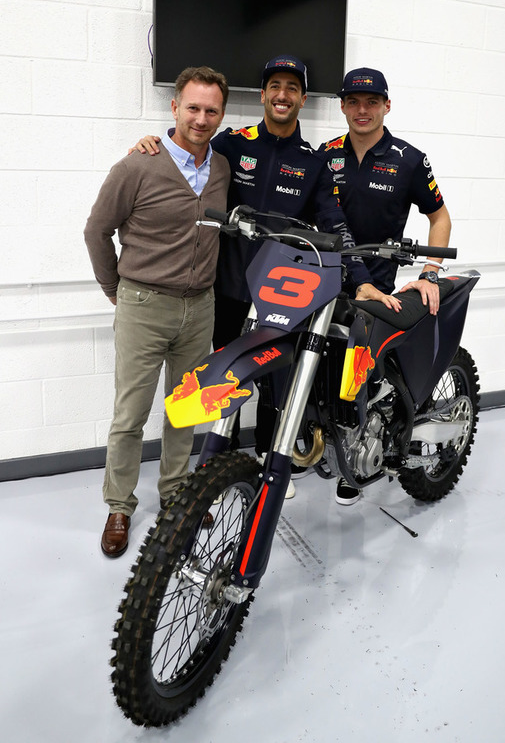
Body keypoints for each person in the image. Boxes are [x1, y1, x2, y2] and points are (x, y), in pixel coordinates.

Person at [131, 55, 366, 500]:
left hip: (285, 294)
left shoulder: (313, 161)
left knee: (278, 380)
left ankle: (267, 456)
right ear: (262, 95)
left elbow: (333, 221)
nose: (282, 94)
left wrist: (361, 276)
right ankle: (222, 462)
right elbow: (189, 154)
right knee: (228, 377)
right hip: (229, 289)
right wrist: (153, 146)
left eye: (292, 88)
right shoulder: (232, 144)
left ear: (301, 98)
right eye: (274, 85)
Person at [84, 66, 230, 558]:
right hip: (144, 306)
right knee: (130, 414)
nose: (201, 118)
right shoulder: (137, 166)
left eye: (211, 110)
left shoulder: (223, 168)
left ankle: (175, 495)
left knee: (184, 409)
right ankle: (119, 506)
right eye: (193, 107)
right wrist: (114, 288)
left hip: (200, 309)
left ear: (222, 114)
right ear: (174, 108)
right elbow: (96, 231)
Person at [319, 67, 452, 505]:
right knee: (320, 370)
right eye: (353, 102)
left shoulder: (408, 158)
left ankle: (353, 463)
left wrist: (431, 270)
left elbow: (439, 217)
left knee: (359, 379)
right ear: (341, 106)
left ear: (386, 106)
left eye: (371, 101)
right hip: (322, 281)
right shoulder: (325, 154)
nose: (362, 110)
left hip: (376, 290)